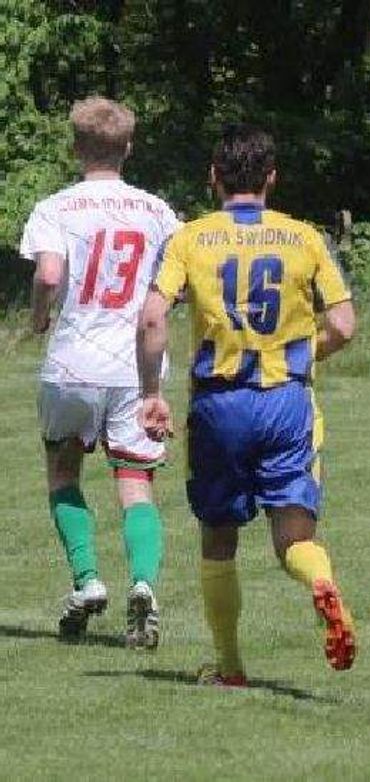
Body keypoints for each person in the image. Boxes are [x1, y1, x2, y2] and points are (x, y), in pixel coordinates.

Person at [136, 123, 357, 686]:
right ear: (271, 179)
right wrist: (302, 357)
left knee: (218, 537)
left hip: (219, 405)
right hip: (287, 402)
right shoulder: (304, 236)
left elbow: (153, 316)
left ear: (213, 178)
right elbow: (344, 324)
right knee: (294, 539)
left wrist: (151, 394)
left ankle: (231, 665)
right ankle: (320, 583)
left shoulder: (188, 238)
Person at [19, 96, 180, 647]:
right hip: (138, 363)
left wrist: (40, 316)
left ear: (75, 147)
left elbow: (47, 274)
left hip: (74, 362)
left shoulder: (56, 207)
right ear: (128, 148)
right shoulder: (158, 212)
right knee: (135, 481)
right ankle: (143, 582)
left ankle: (87, 581)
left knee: (64, 473)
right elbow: (172, 287)